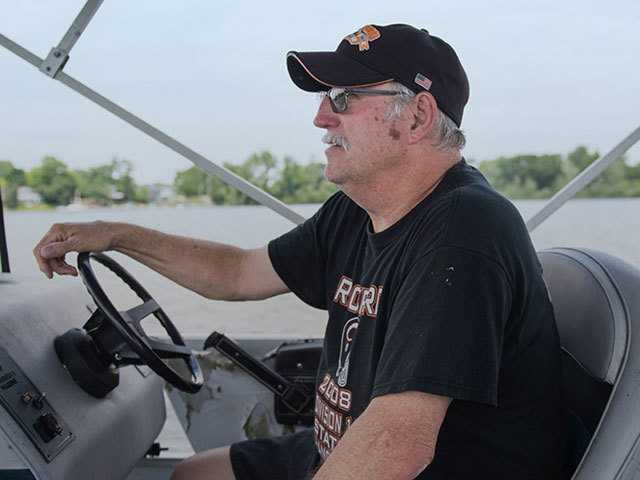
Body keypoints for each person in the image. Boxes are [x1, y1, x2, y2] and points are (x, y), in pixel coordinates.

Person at [34, 24, 567, 479]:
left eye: (343, 98)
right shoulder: (359, 209)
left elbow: (397, 442)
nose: (320, 118)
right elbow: (238, 273)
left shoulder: (464, 229)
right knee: (193, 475)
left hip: (435, 468)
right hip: (333, 445)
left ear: (417, 115)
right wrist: (117, 235)